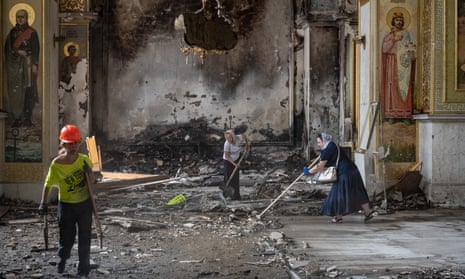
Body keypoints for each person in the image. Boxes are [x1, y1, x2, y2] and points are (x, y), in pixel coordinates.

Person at [38, 125, 94, 278]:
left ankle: (84, 268)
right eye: (70, 143)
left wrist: (89, 173)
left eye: (76, 143)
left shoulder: (84, 160)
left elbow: (92, 182)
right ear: (63, 144)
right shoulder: (56, 164)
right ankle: (63, 258)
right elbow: (48, 184)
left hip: (84, 205)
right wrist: (43, 203)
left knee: (85, 238)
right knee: (67, 238)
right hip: (67, 206)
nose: (74, 146)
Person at [308, 133, 376, 223]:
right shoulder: (332, 145)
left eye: (319, 142)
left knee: (338, 194)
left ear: (324, 141)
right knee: (358, 191)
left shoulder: (327, 150)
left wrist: (308, 172)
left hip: (344, 173)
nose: (318, 144)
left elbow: (320, 166)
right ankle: (368, 213)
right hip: (353, 170)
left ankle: (338, 217)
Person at [4, 9, 40, 127]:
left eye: (22, 17)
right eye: (18, 17)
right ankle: (17, 117)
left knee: (28, 89)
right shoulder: (12, 33)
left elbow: (36, 49)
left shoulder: (32, 32)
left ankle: (27, 117)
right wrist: (18, 52)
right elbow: (7, 50)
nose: (20, 19)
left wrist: (35, 64)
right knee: (16, 91)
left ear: (26, 18)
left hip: (28, 65)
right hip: (15, 67)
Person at [380, 10, 416, 121]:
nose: (399, 22)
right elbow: (384, 49)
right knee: (392, 86)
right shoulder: (389, 35)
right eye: (397, 20)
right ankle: (392, 115)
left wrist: (410, 52)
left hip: (404, 65)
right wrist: (393, 40)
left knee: (405, 87)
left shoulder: (406, 33)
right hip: (392, 63)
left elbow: (410, 47)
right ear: (393, 21)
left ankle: (405, 115)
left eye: (400, 20)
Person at [222, 129, 249, 200]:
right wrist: (234, 164)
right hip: (228, 161)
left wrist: (247, 147)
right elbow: (227, 156)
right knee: (228, 178)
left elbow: (245, 136)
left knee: (236, 179)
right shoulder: (226, 144)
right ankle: (228, 196)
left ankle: (236, 196)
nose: (228, 140)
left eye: (229, 138)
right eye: (227, 139)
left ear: (233, 137)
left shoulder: (238, 138)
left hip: (237, 159)